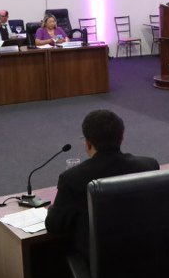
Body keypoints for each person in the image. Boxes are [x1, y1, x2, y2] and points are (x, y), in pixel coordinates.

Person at [44, 110, 159, 257]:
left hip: (100, 264)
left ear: (88, 143)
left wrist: (52, 209)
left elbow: (54, 226)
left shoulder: (72, 178)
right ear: (121, 138)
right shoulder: (149, 166)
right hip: (145, 258)